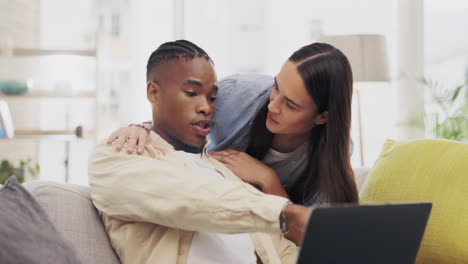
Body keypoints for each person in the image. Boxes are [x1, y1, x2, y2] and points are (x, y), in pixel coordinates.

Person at [89, 40, 313, 264]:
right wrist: (285, 214)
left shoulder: (227, 173)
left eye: (212, 97)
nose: (206, 107)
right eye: (191, 92)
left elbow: (280, 250)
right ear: (154, 93)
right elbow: (185, 198)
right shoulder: (116, 156)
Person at [109, 42, 359, 208]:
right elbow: (176, 122)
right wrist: (142, 128)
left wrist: (268, 180)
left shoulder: (332, 150)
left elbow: (310, 233)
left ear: (322, 117)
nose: (272, 106)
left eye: (291, 105)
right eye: (276, 87)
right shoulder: (236, 95)